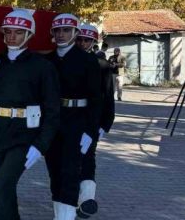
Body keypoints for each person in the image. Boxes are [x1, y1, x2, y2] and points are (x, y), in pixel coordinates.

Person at [0, 10, 60, 219]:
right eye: (7, 31)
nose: (11, 36)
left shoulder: (42, 67)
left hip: (24, 136)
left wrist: (41, 145)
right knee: (2, 190)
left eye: (18, 32)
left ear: (29, 35)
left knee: (2, 185)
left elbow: (53, 110)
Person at [45, 13, 101, 220]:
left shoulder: (87, 60)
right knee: (54, 171)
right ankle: (59, 214)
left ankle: (66, 217)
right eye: (57, 30)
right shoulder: (47, 59)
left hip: (77, 121)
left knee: (70, 171)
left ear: (75, 33)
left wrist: (90, 131)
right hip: (52, 121)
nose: (61, 34)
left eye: (66, 30)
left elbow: (96, 100)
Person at [75, 24, 116, 218]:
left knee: (88, 156)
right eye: (80, 39)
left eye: (87, 40)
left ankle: (86, 199)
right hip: (68, 118)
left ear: (93, 42)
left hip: (92, 120)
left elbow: (108, 95)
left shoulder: (102, 66)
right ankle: (72, 196)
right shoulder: (66, 61)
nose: (83, 43)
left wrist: (105, 124)